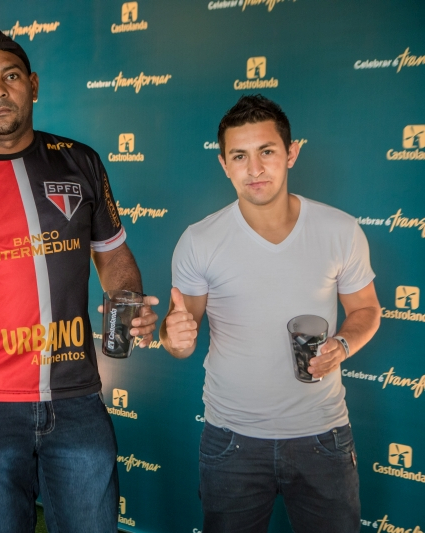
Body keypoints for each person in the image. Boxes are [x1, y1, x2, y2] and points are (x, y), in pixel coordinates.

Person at [0, 27, 159, 533]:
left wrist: (129, 300)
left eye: (11, 77)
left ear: (34, 85)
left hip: (77, 399)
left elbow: (113, 256)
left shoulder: (80, 160)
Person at [159, 94, 381, 533]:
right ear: (224, 164)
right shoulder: (199, 240)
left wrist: (342, 345)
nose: (255, 169)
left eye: (267, 151)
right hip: (231, 440)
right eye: (240, 156)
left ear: (291, 153)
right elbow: (179, 337)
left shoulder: (340, 229)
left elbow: (366, 308)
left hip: (323, 435)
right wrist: (173, 337)